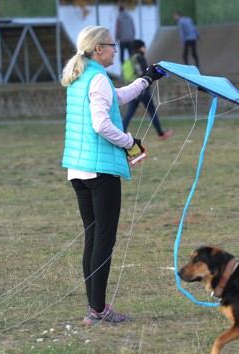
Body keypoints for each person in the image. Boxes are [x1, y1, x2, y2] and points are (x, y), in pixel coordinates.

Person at [60, 26, 165, 325]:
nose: (115, 50)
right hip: (100, 171)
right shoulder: (97, 78)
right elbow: (101, 124)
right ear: (98, 49)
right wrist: (129, 142)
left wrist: (146, 79)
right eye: (112, 45)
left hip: (77, 169)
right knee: (104, 239)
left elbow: (117, 97)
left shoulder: (82, 77)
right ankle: (97, 310)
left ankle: (94, 308)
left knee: (93, 237)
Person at [122, 39, 174, 140]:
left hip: (133, 89)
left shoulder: (130, 59)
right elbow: (145, 73)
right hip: (143, 89)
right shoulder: (140, 58)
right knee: (152, 111)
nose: (145, 49)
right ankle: (161, 133)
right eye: (143, 46)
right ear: (139, 48)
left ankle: (122, 132)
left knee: (129, 112)